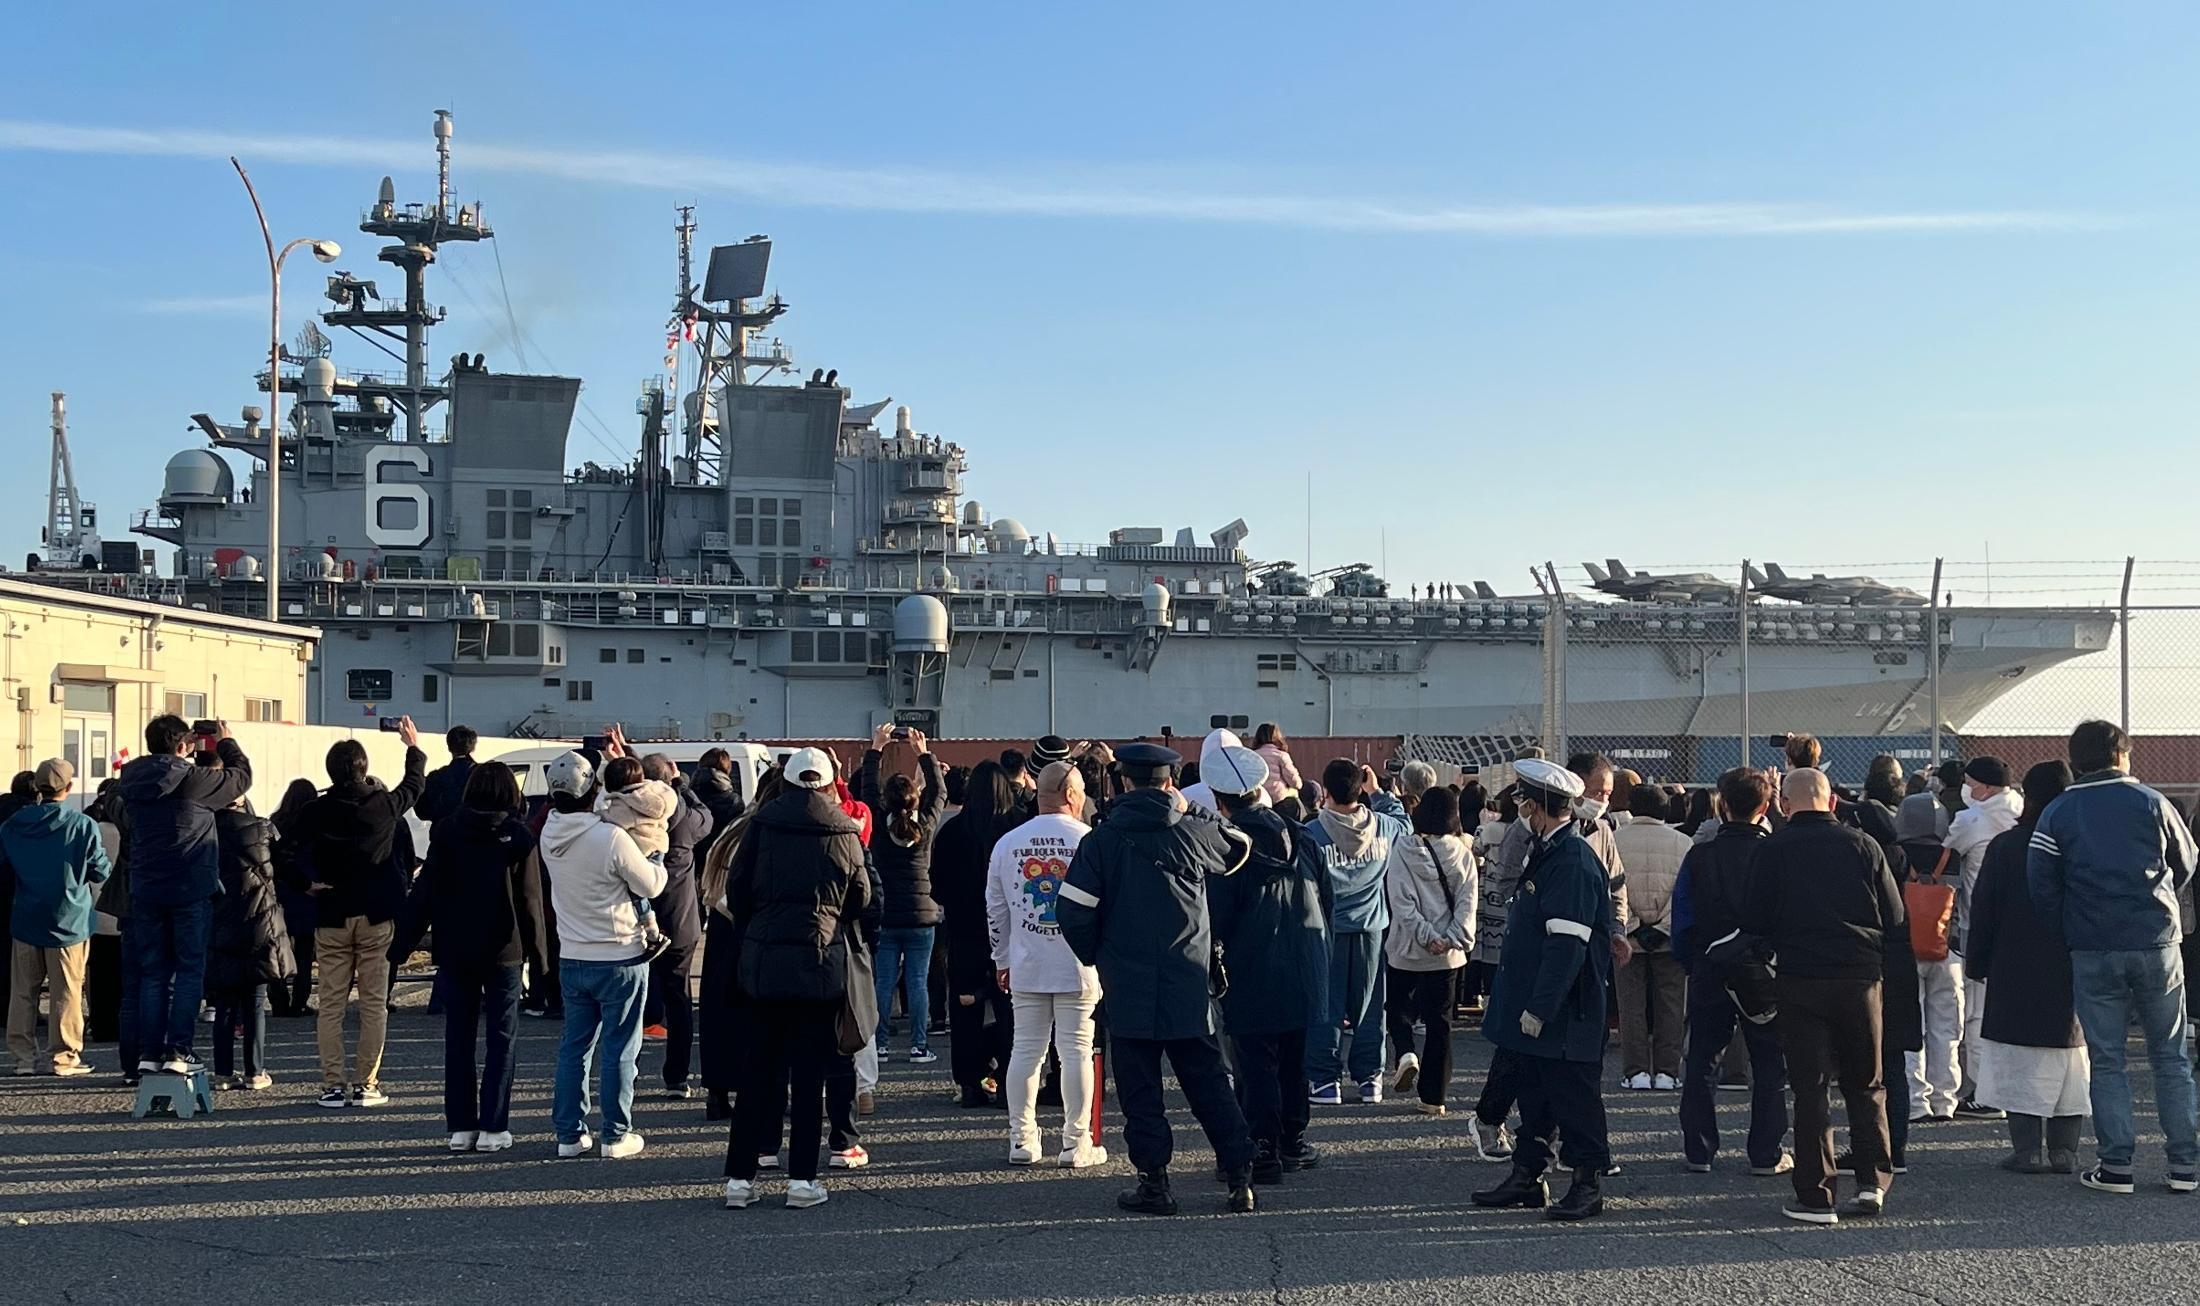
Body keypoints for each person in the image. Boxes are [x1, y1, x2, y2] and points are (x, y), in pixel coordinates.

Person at [1061, 741, 1258, 1215]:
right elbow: (1240, 845)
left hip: (1127, 980)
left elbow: (1072, 911)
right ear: (1168, 781)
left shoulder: (1101, 840)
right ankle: (1239, 1177)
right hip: (1187, 979)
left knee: (1140, 1091)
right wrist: (1193, 809)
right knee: (1209, 1082)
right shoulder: (1193, 830)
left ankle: (1155, 1184)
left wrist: (1097, 955)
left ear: (1124, 781)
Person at [2027, 719, 2199, 1195]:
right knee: (2170, 1057)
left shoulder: (2058, 812)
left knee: (2108, 1060)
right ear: (2123, 756)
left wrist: (2068, 925)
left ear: (2075, 760)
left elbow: (2041, 883)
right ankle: (2184, 1165)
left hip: (2092, 943)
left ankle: (2117, 1165)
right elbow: (2186, 862)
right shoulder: (2155, 803)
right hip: (2156, 941)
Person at [1745, 768, 1906, 1225]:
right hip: (1860, 976)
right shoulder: (1864, 845)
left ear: (1786, 804)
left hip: (1800, 977)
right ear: (1832, 801)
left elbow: (1755, 918)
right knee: (1867, 1082)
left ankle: (1816, 1195)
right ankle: (1873, 1182)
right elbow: (1894, 916)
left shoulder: (1773, 849)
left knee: (1811, 1088)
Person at [722, 748, 869, 1211]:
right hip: (819, 962)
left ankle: (740, 1181)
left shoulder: (761, 826)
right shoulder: (844, 831)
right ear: (828, 784)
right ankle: (802, 1181)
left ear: (784, 781)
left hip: (764, 961)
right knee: (810, 1076)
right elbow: (861, 896)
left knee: (757, 1072)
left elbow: (737, 890)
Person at [1470, 758, 1614, 1222]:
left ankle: (1588, 1183)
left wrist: (1540, 1007)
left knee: (1575, 1099)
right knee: (1536, 1095)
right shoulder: (1551, 849)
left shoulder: (1569, 860)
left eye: (1522, 803)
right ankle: (1527, 1175)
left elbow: (1567, 945)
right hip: (1544, 1004)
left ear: (1534, 805)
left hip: (1564, 1010)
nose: (1519, 811)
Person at [1207, 745, 1331, 1182]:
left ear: (1219, 800)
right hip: (1304, 963)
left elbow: (1215, 917)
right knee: (1295, 1058)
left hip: (1250, 966)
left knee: (1254, 1061)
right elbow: (1326, 903)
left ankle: (1261, 1148)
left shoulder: (1225, 849)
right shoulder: (1304, 836)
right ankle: (1293, 1141)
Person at [541, 750, 667, 1159]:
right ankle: (615, 1133)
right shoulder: (609, 837)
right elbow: (650, 885)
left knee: (573, 1048)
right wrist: (659, 863)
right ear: (592, 789)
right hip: (620, 955)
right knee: (619, 1048)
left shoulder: (549, 833)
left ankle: (569, 1134)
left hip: (572, 954)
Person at [985, 760, 1108, 1168]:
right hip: (1079, 962)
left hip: (1027, 961)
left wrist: (1001, 958)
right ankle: (1076, 1143)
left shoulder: (1008, 843)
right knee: (1075, 1051)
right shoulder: (1091, 839)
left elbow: (996, 908)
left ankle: (1021, 1139)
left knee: (1026, 1051)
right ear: (1073, 795)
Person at [297, 717, 424, 1108]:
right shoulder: (383, 805)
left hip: (332, 912)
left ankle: (333, 1084)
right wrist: (412, 746)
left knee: (330, 1004)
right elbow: (414, 786)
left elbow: (284, 850)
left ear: (330, 771)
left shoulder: (314, 810)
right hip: (376, 913)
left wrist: (306, 882)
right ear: (364, 769)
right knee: (373, 1004)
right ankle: (367, 1083)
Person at [116, 715, 252, 1078]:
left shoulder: (129, 780)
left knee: (153, 974)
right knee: (190, 970)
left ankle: (150, 1052)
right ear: (182, 746)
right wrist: (225, 742)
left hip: (145, 887)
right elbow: (241, 778)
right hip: (190, 886)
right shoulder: (192, 781)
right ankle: (180, 1049)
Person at [1672, 767, 1792, 1177]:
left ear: (1721, 805)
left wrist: (1693, 962)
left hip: (1710, 964)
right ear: (1765, 806)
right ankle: (1766, 1151)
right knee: (1769, 1061)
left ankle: (1699, 1149)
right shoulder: (1776, 854)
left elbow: (1682, 918)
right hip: (1765, 971)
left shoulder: (1700, 855)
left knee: (1703, 1058)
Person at [1969, 760, 2085, 1174]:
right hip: (2071, 962)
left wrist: (1976, 962)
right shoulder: (2079, 844)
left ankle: (2028, 1151)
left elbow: (1984, 910)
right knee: (2070, 1059)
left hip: (2013, 962)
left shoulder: (2007, 845)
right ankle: (2064, 1151)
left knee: (2019, 1057)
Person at [424, 761, 544, 1153]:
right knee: (501, 1038)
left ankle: (460, 1127)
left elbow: (428, 889)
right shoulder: (519, 836)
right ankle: (494, 1126)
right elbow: (530, 902)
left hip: (455, 947)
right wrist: (541, 959)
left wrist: (403, 942)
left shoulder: (446, 831)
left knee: (458, 1037)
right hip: (504, 949)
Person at [1304, 757, 1409, 1106]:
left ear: (1325, 791)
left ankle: (1323, 1080)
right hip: (1372, 927)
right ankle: (1369, 1079)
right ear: (1359, 788)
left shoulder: (1312, 833)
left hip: (1326, 930)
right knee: (1369, 1007)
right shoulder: (1382, 827)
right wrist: (1378, 793)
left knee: (1325, 1006)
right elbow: (1405, 823)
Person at [2, 759, 111, 1076]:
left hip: (26, 916)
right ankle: (62, 1057)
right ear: (69, 787)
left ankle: (23, 1058)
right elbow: (99, 869)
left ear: (37, 788)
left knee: (23, 991)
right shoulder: (82, 825)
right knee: (67, 990)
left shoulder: (14, 824)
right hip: (68, 919)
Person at [1379, 785, 1475, 1114]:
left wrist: (1424, 934)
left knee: (1397, 1009)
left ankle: (1405, 1053)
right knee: (1440, 1024)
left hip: (1407, 948)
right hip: (1447, 956)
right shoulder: (1463, 852)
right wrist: (1448, 938)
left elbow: (1401, 903)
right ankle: (1433, 1098)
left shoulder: (1403, 849)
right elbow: (1467, 903)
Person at [932, 760, 1021, 1106]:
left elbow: (937, 887)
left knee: (965, 1009)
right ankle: (1009, 1077)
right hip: (1012, 935)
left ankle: (970, 1081)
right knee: (1011, 1009)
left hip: (965, 932)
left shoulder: (953, 832)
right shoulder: (1018, 827)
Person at [1940, 755, 2021, 1120]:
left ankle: (1985, 1093)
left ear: (1985, 788)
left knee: (1975, 1015)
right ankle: (2006, 1088)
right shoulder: (2019, 808)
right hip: (2020, 926)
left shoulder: (1972, 818)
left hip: (1979, 926)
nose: (1967, 789)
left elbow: (1946, 850)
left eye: (1971, 783)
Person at [860, 725, 946, 1066]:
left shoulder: (878, 824)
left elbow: (867, 789)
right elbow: (939, 791)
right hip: (922, 915)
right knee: (918, 982)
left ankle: (879, 1045)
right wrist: (924, 753)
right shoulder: (924, 826)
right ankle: (919, 1046)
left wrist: (876, 748)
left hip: (886, 913)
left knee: (883, 981)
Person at [207, 789, 292, 1091]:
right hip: (259, 923)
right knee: (255, 1002)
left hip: (219, 923)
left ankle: (222, 1072)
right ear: (241, 798)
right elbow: (284, 868)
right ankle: (255, 1071)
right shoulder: (263, 828)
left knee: (225, 1003)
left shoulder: (205, 831)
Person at [639, 752, 711, 1091]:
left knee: (632, 999)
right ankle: (676, 1077)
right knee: (679, 1000)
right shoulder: (683, 819)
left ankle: (629, 1072)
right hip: (680, 918)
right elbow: (706, 816)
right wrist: (682, 783)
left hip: (637, 920)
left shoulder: (631, 815)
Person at [1611, 784, 1690, 1091]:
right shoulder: (1683, 843)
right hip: (1669, 938)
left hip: (1626, 938)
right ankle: (1668, 1072)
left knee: (1630, 1007)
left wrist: (1632, 925)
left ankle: (1636, 1072)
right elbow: (1685, 893)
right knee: (1671, 1006)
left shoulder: (1614, 840)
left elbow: (1612, 888)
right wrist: (1661, 927)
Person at [596, 746, 675, 963]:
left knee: (637, 893)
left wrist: (604, 805)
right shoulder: (660, 793)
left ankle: (651, 930)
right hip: (659, 847)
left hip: (641, 850)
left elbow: (607, 819)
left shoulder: (624, 806)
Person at [269, 778, 320, 1018]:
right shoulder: (316, 824)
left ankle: (278, 998)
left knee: (278, 949)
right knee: (305, 950)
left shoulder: (275, 823)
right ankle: (300, 999)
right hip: (309, 891)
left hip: (281, 891)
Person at [416, 725, 478, 825]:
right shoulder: (485, 776)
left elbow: (422, 811)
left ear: (449, 747)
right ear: (473, 747)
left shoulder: (435, 777)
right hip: (477, 836)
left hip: (443, 836)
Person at [1251, 723, 1303, 808]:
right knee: (1295, 793)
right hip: (1278, 800)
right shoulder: (1281, 755)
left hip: (1258, 799)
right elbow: (1295, 783)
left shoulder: (1252, 755)